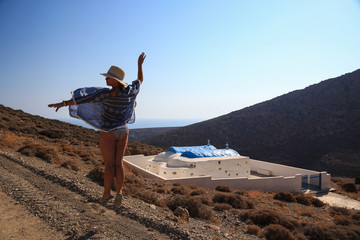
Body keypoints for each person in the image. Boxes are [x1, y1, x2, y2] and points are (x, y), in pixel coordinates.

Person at [49, 52, 146, 207]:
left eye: (108, 77)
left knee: (108, 165)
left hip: (108, 131)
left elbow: (83, 98)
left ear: (115, 80)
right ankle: (119, 193)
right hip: (124, 130)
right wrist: (140, 65)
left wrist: (63, 104)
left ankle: (106, 195)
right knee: (119, 163)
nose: (105, 79)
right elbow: (140, 80)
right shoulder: (131, 91)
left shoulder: (105, 94)